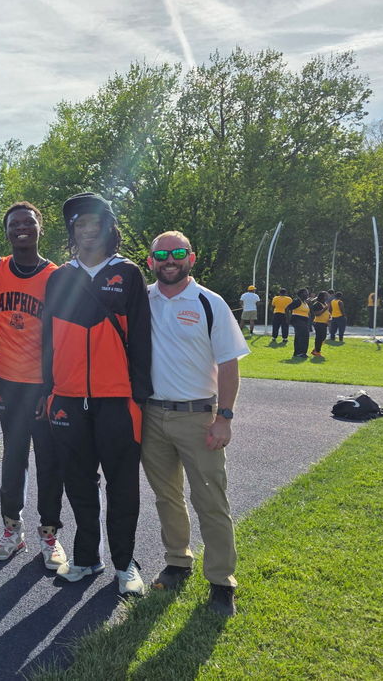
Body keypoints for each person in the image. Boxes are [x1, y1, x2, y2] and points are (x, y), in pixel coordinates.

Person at [44, 193, 152, 597]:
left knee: (123, 484)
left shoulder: (127, 273)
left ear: (109, 228)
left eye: (95, 223)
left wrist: (140, 392)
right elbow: (47, 341)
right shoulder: (59, 277)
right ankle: (87, 558)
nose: (88, 230)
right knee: (78, 482)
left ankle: (125, 565)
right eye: (80, 224)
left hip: (118, 399)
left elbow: (141, 335)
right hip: (68, 397)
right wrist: (48, 389)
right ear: (72, 230)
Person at [141, 230, 249, 617]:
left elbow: (230, 364)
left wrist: (225, 417)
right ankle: (177, 561)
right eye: (162, 254)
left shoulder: (209, 302)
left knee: (210, 500)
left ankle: (221, 582)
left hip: (199, 416)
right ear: (150, 260)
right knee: (166, 496)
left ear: (192, 257)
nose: (170, 260)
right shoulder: (143, 300)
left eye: (178, 253)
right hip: (152, 415)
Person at [0, 202, 67, 571]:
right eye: (13, 224)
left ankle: (50, 533)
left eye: (28, 222)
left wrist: (51, 388)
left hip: (44, 384)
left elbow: (61, 337)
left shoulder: (55, 275)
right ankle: (12, 530)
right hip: (7, 381)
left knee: (49, 462)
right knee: (13, 457)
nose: (21, 228)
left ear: (40, 227)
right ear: (6, 231)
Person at [287, 288, 311, 359]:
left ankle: (299, 353)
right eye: (305, 293)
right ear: (301, 294)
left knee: (301, 336)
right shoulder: (297, 301)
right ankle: (300, 353)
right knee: (302, 336)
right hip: (297, 320)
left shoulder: (305, 302)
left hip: (304, 321)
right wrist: (287, 319)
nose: (307, 294)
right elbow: (287, 308)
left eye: (307, 293)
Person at [311, 291, 330, 357]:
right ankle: (317, 352)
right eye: (326, 295)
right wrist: (324, 309)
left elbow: (326, 312)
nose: (327, 297)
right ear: (322, 296)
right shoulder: (317, 304)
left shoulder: (325, 304)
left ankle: (315, 349)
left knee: (323, 337)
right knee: (319, 338)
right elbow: (317, 314)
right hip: (318, 323)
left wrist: (329, 317)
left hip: (324, 323)